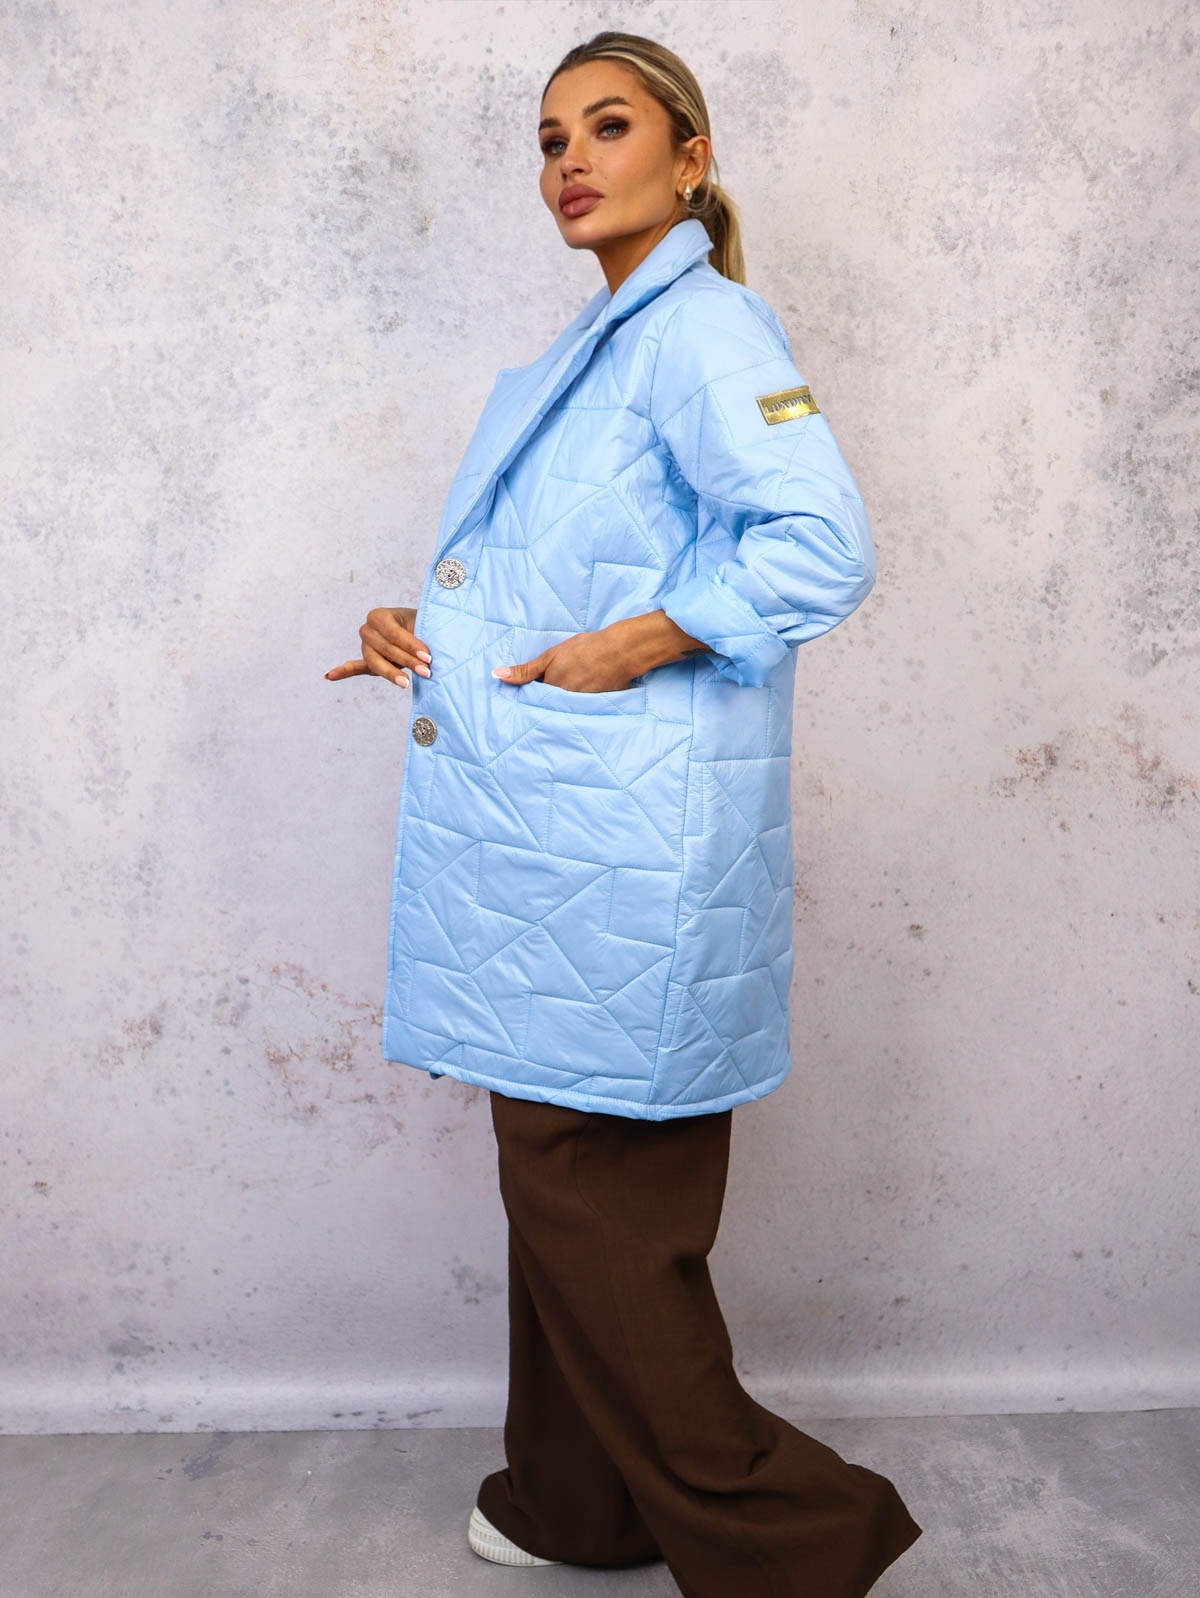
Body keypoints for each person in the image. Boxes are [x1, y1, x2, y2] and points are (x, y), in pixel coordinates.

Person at [326, 29, 922, 1598]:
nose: (570, 162)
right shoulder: (606, 345)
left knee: (595, 1206)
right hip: (563, 851)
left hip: (620, 865)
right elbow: (570, 582)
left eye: (608, 126)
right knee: (567, 1200)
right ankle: (573, 1503)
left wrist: (646, 638)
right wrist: (431, 627)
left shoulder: (701, 328)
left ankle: (808, 1546)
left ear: (691, 158)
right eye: (549, 138)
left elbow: (820, 544)